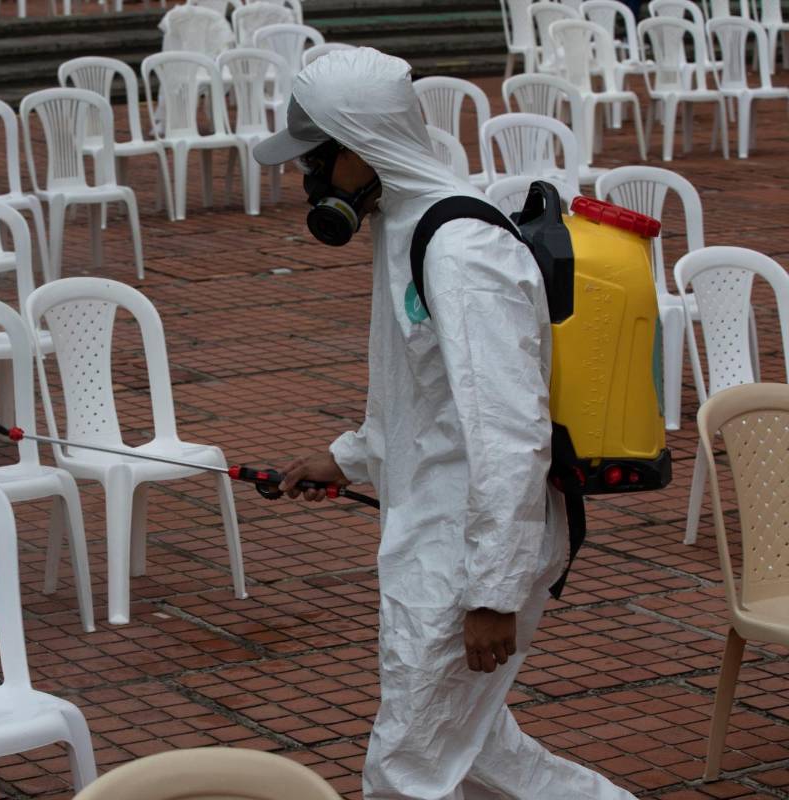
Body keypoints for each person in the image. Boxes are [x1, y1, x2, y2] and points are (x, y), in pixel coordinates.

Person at [255, 49, 637, 800]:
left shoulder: (461, 247)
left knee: (407, 766)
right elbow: (421, 391)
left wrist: (492, 592)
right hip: (435, 526)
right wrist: (350, 456)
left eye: (320, 160)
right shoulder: (402, 224)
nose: (312, 180)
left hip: (468, 546)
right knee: (483, 753)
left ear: (361, 149)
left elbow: (508, 427)